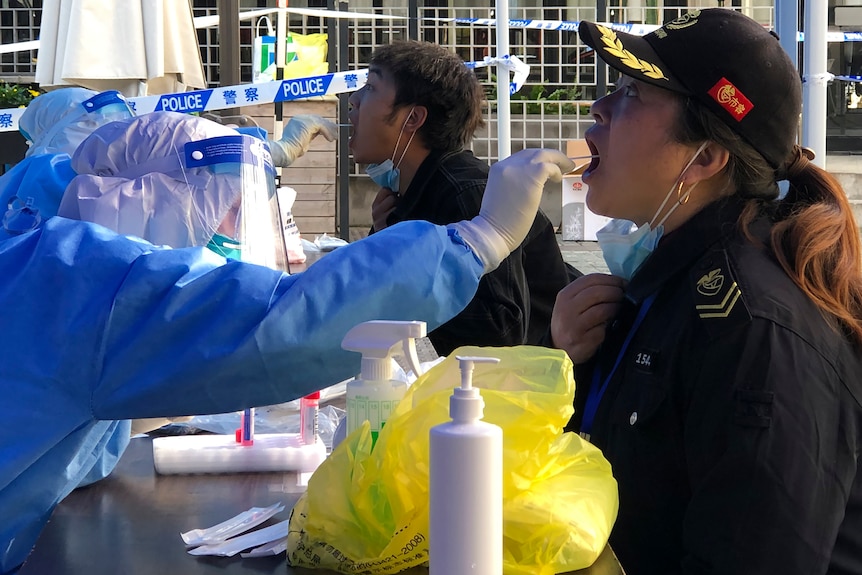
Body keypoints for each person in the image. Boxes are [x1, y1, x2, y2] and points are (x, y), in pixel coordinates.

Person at [0, 104, 572, 573]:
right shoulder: (84, 280)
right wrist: (480, 239)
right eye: (220, 221)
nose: (223, 247)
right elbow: (283, 323)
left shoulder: (24, 234)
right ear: (144, 203)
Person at [550, 9, 862, 574]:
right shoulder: (665, 283)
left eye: (633, 93)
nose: (600, 108)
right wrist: (571, 366)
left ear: (705, 159)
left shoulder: (753, 326)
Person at [348, 40, 575, 355]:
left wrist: (397, 271)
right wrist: (385, 242)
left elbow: (500, 330)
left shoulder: (468, 192)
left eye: (370, 87)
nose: (353, 101)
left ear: (412, 119)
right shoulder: (403, 197)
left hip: (529, 390)